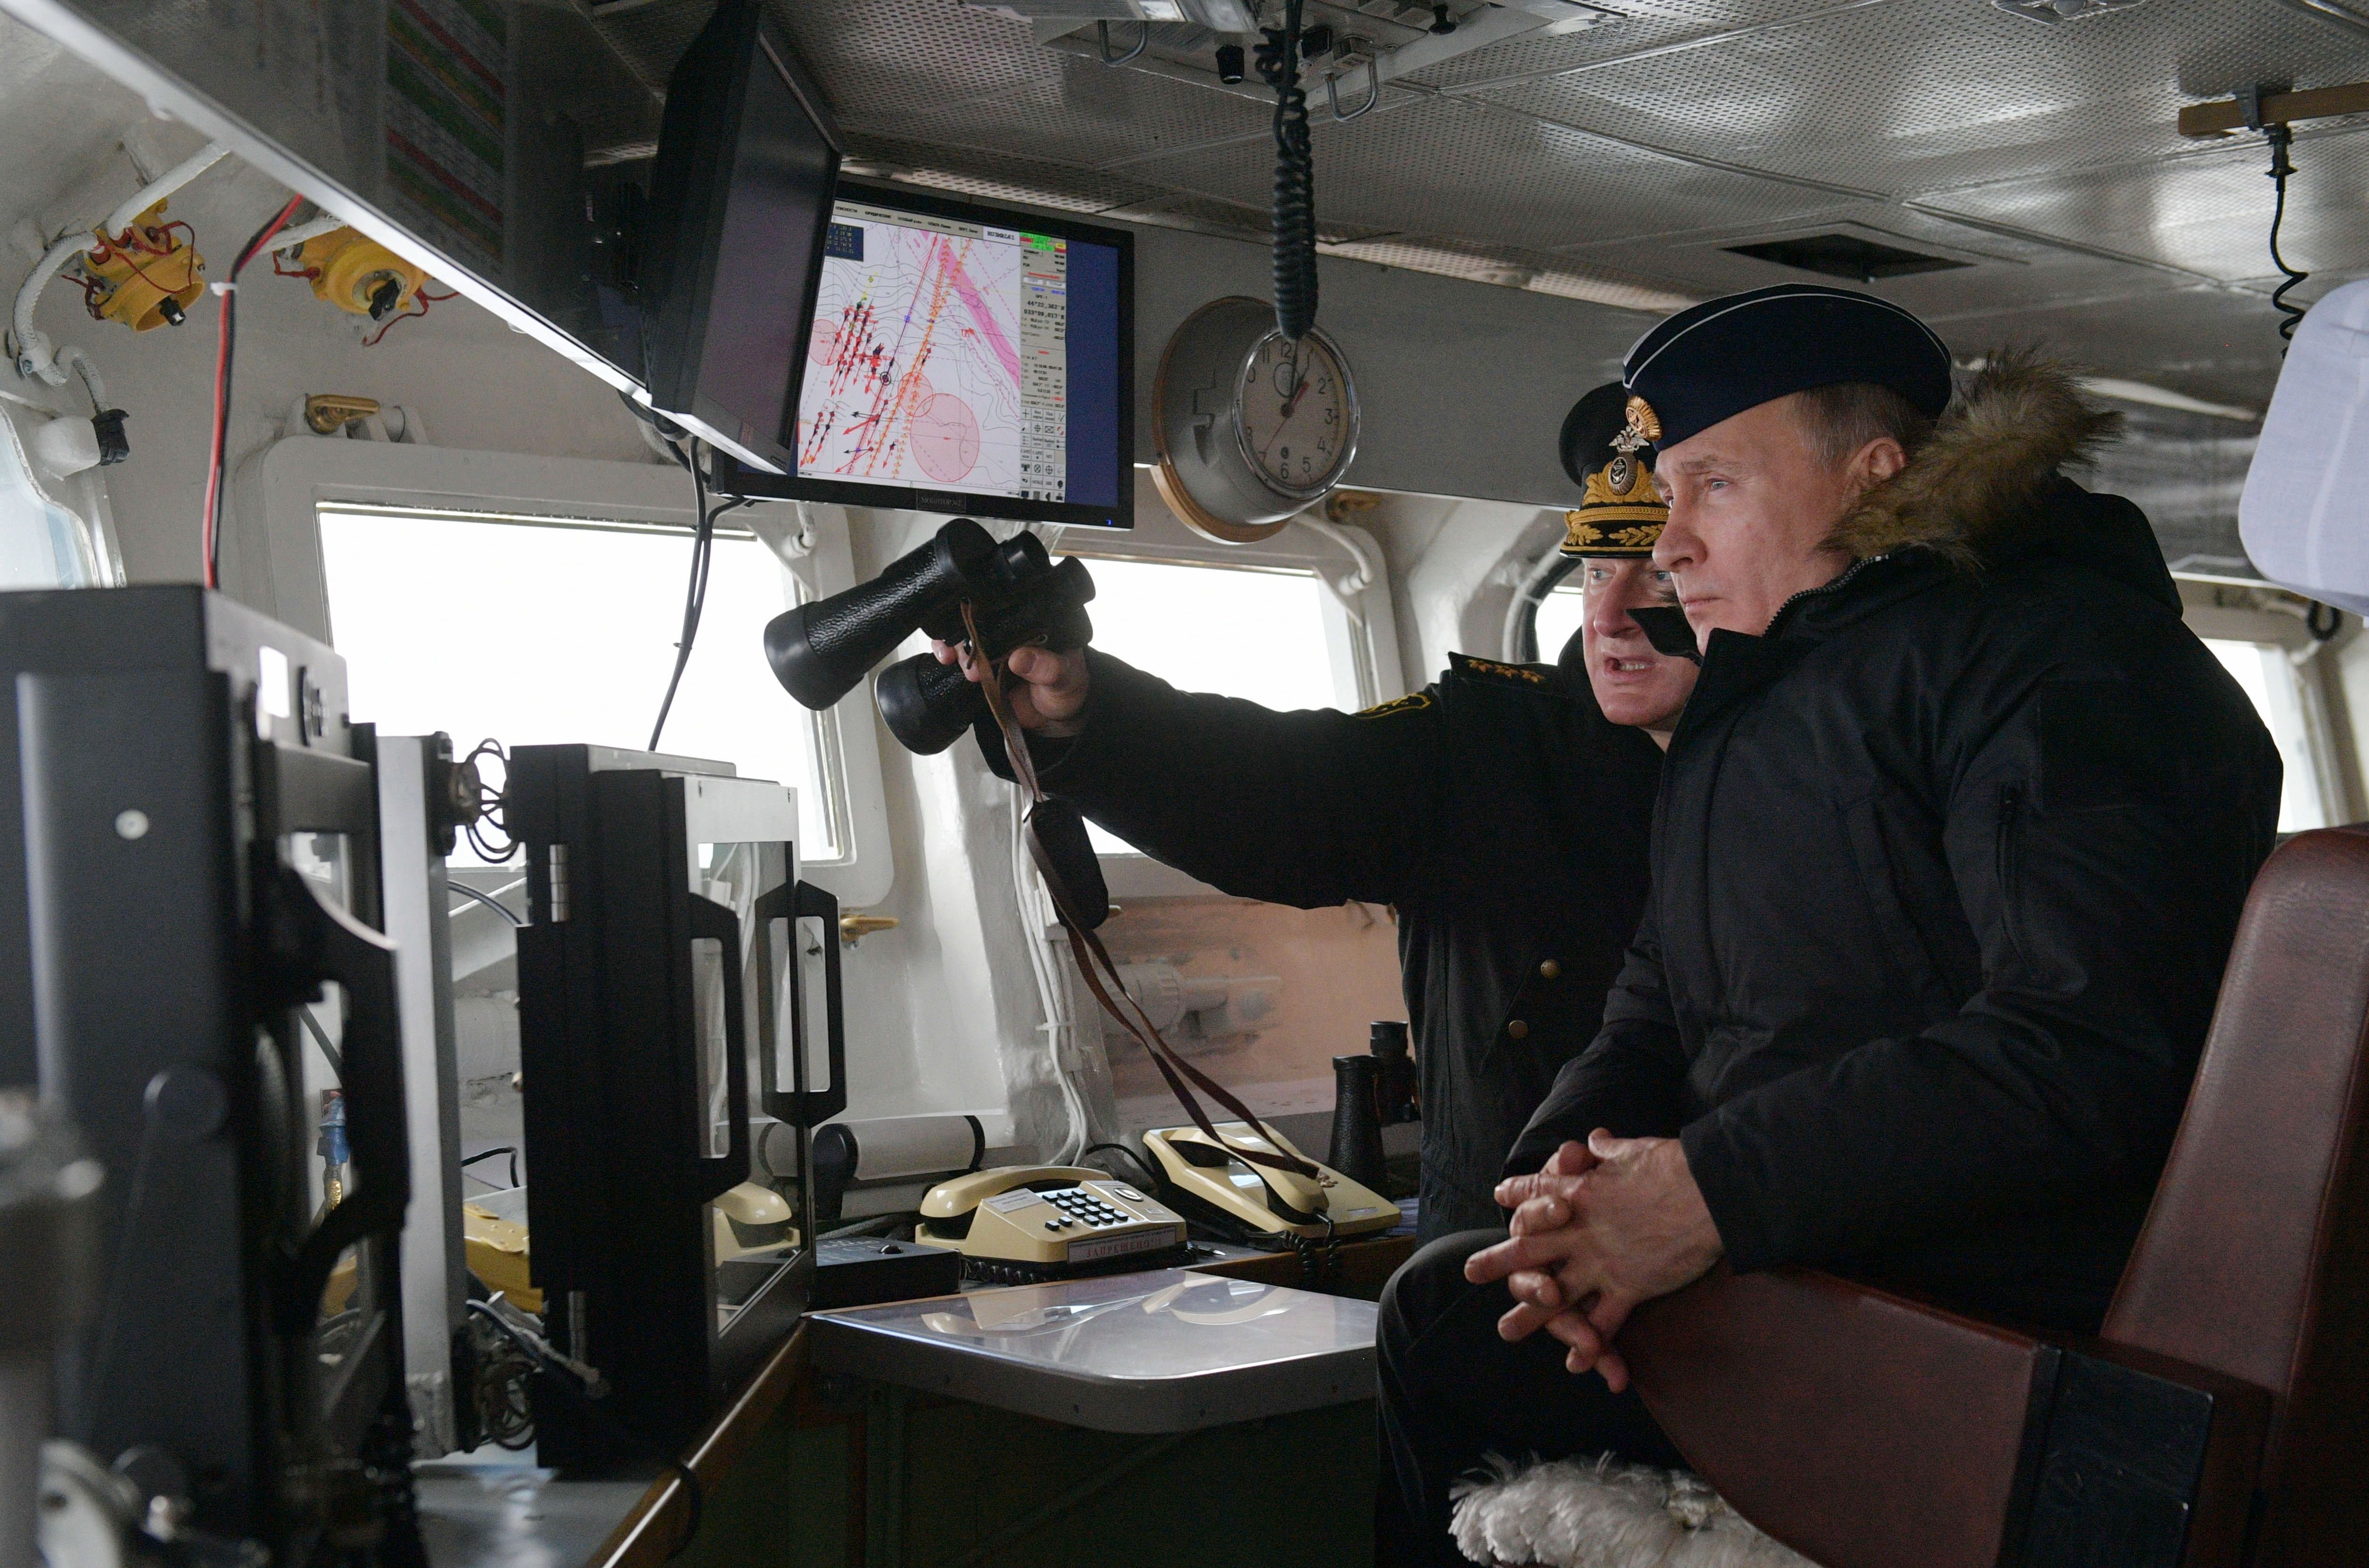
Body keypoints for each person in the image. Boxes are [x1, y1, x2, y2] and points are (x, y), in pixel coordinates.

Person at [1376, 283, 2284, 1567]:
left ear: (1876, 476)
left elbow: (2086, 1047)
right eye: (1666, 492)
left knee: (1434, 1321)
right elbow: (1656, 1009)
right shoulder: (1760, 711)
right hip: (1811, 1269)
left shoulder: (2063, 661)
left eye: (1712, 486)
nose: (1668, 543)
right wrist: (1556, 1206)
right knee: (1463, 1293)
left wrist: (1707, 1195)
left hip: (1976, 1331)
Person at [936, 384, 1698, 1238]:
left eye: (1659, 576)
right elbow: (1277, 789)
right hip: (1502, 1255)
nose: (1609, 616)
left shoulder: (1800, 770)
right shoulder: (1485, 739)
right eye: (1595, 571)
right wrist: (1082, 715)